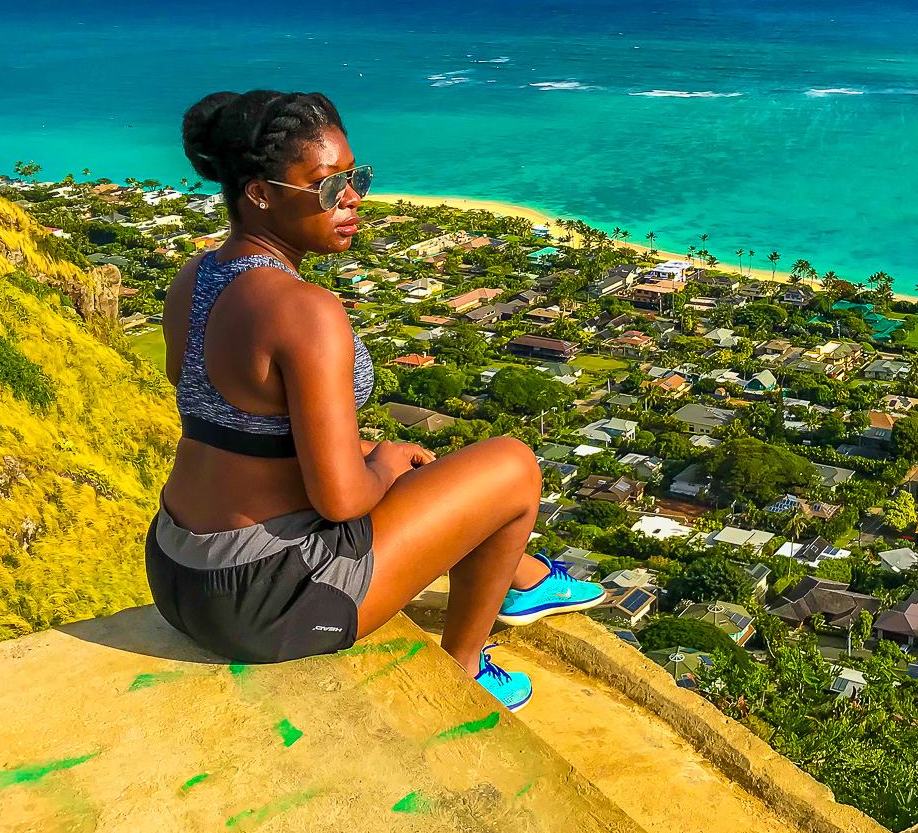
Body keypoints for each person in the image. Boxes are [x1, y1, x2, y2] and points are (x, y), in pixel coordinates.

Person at [147, 90, 601, 711]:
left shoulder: (195, 278)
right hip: (263, 600)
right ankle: (467, 668)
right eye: (328, 185)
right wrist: (380, 463)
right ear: (259, 193)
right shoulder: (305, 310)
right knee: (514, 465)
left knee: (423, 468)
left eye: (355, 177)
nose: (354, 198)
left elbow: (222, 418)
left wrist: (359, 449)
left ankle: (523, 578)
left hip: (178, 570)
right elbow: (341, 501)